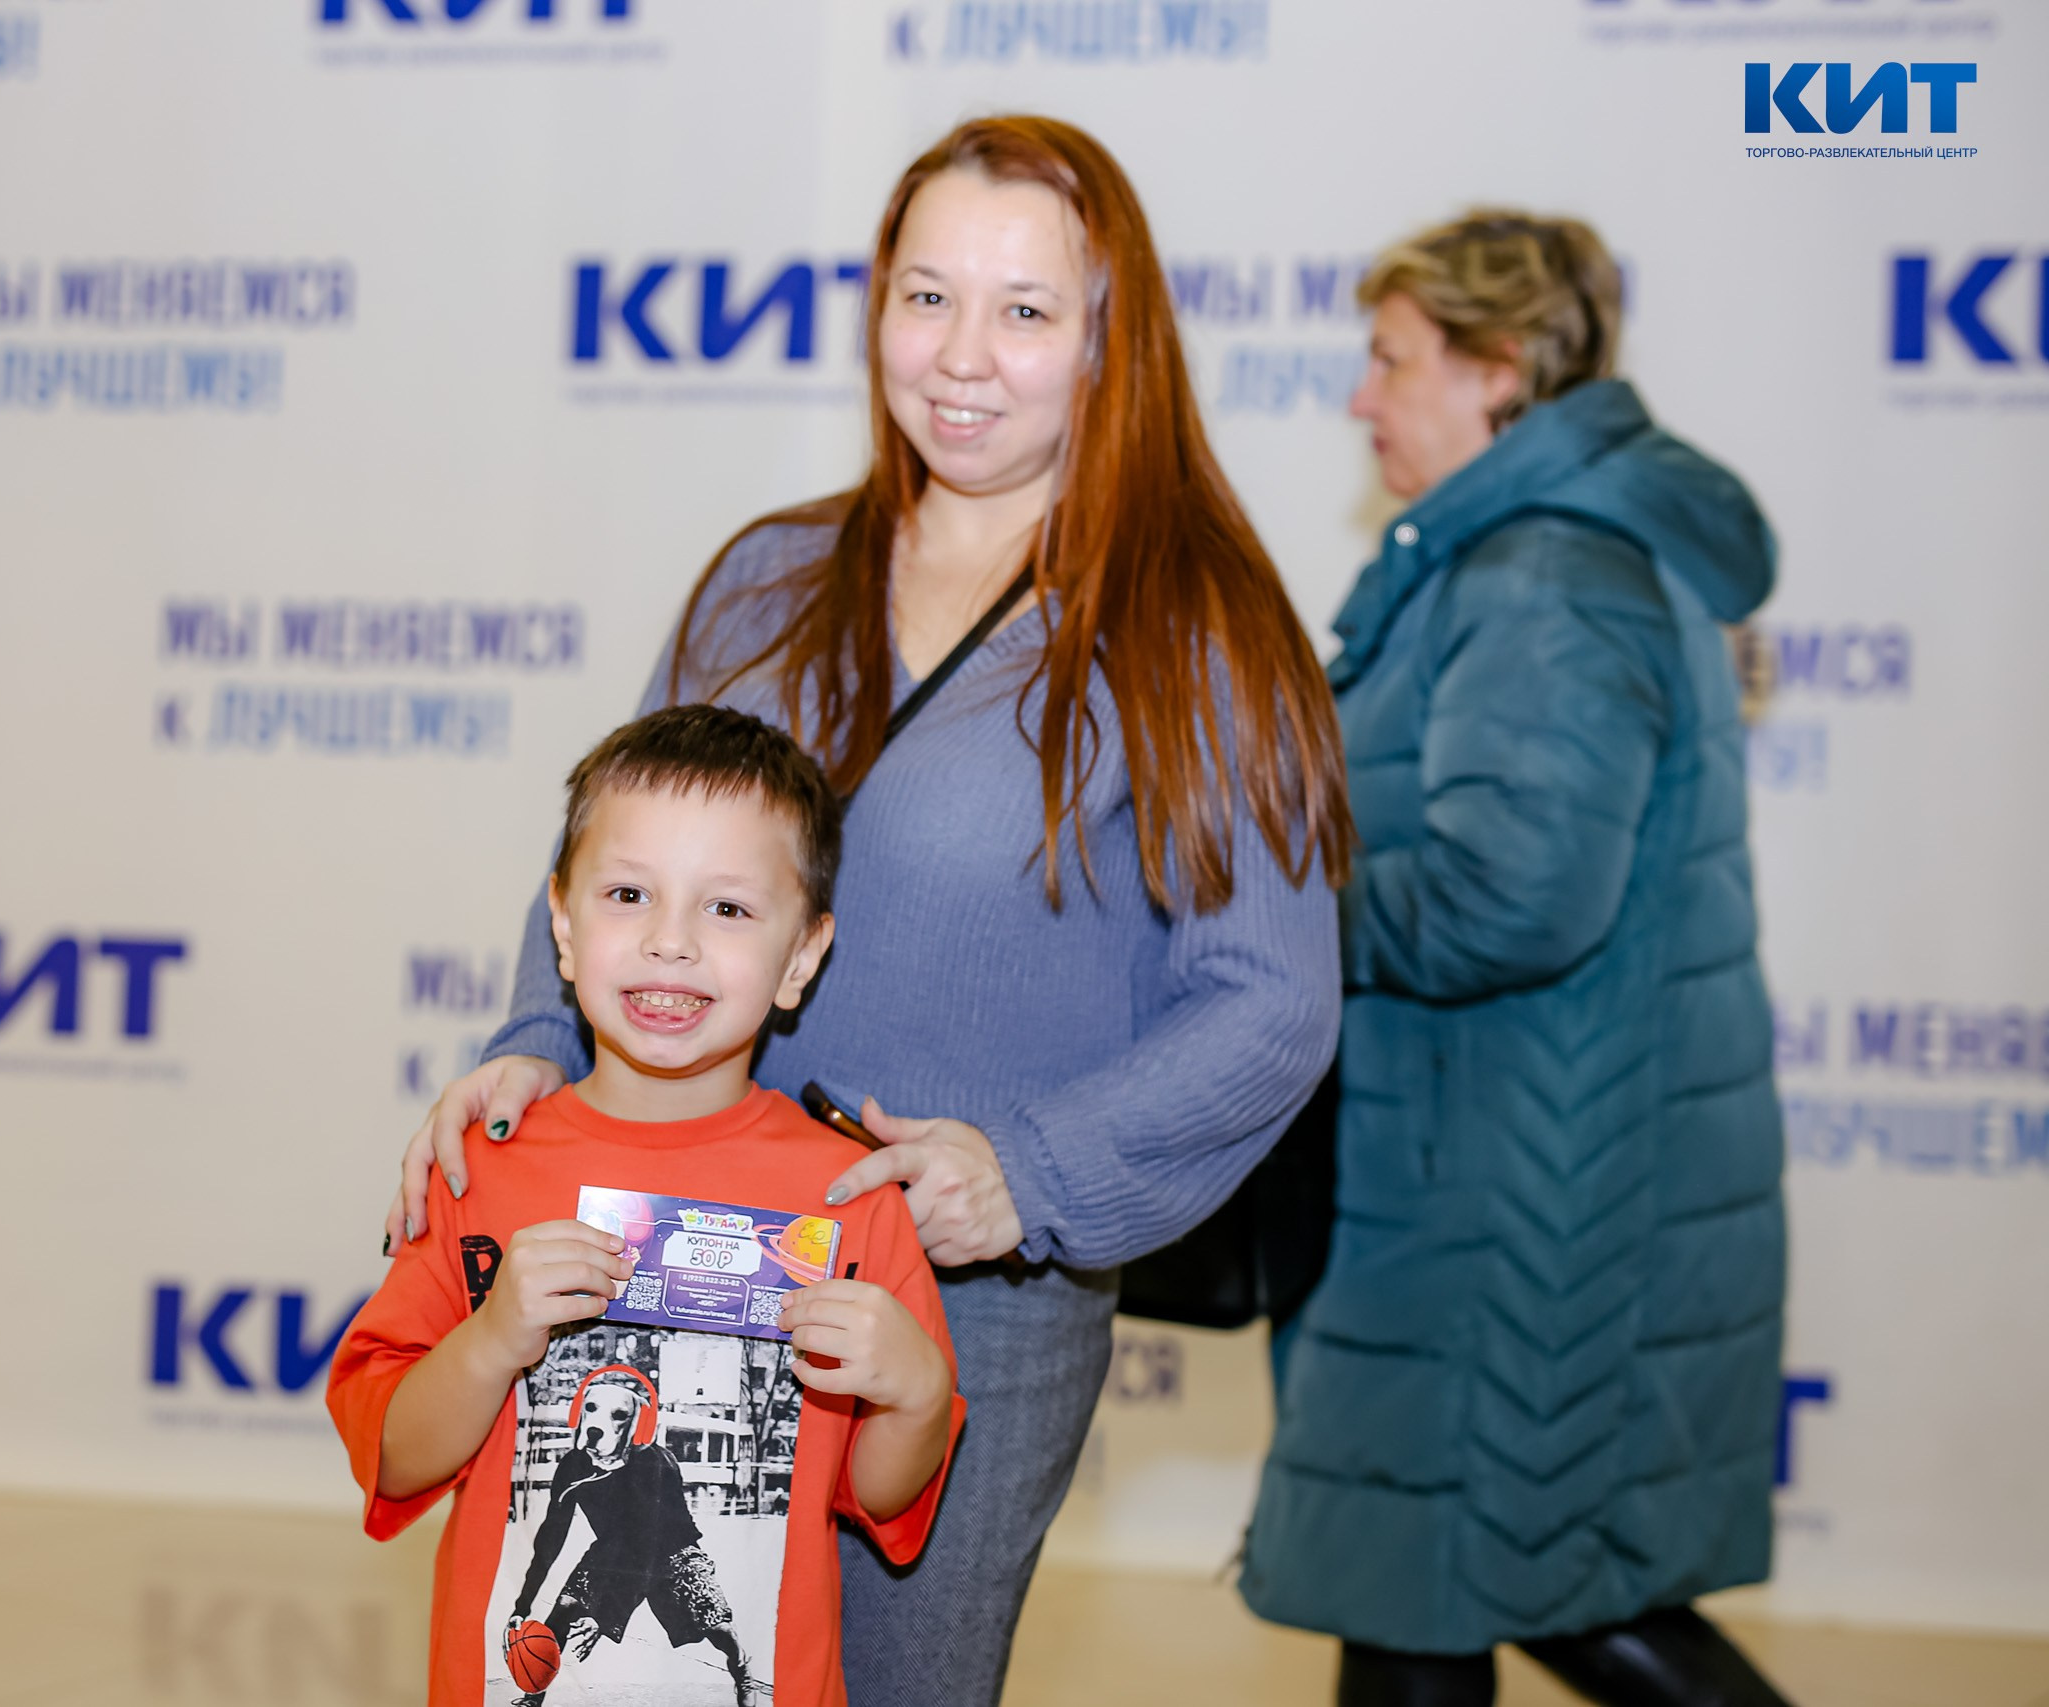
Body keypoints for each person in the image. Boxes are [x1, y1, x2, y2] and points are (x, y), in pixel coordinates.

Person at [386, 115, 1350, 1705]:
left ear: (1113, 341)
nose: (965, 355)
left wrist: (1027, 1173)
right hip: (663, 1265)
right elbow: (611, 849)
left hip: (959, 1307)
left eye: (1027, 311)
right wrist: (531, 1034)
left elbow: (1271, 1000)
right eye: (927, 296)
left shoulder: (1199, 633)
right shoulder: (764, 582)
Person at [1238, 212, 1792, 1707]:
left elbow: (1506, 897)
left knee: (1458, 1577)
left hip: (1514, 1200)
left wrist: (1263, 925)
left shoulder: (1541, 573)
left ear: (1497, 373)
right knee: (1433, 1581)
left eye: (1391, 358)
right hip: (1492, 1177)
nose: (1361, 397)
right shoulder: (1539, 551)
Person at [331, 706, 962, 1707]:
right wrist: (494, 1340)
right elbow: (395, 1456)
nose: (670, 943)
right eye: (629, 894)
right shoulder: (480, 1171)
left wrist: (917, 1393)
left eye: (729, 910)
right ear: (564, 929)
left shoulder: (851, 1200)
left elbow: (877, 1497)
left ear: (802, 958)